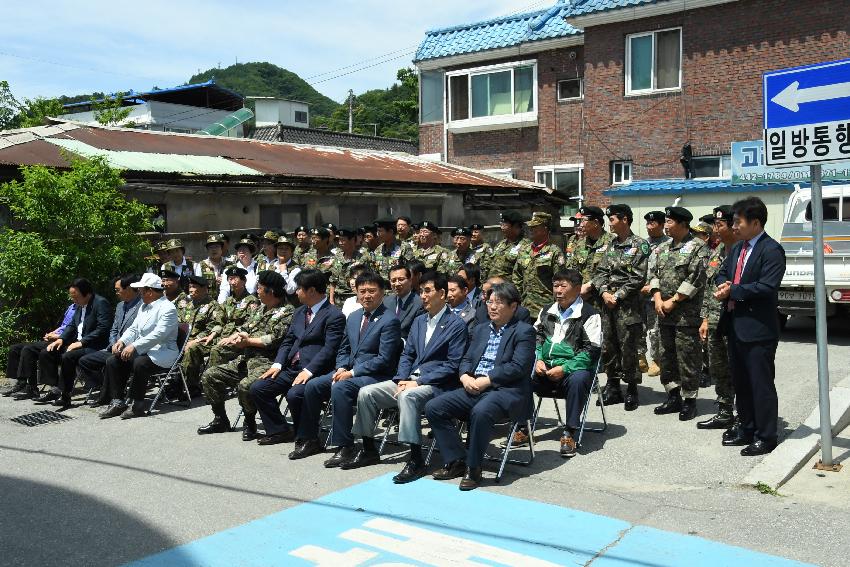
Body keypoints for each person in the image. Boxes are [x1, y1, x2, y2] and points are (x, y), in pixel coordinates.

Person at [343, 271, 469, 483]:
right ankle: (368, 448)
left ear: (442, 293)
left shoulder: (456, 324)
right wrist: (401, 378)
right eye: (421, 291)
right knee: (366, 393)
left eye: (427, 291)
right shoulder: (419, 321)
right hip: (409, 380)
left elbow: (452, 365)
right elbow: (407, 353)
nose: (423, 296)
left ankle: (416, 459)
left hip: (437, 384)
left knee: (408, 397)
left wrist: (418, 381)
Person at [425, 281, 535, 491]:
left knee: (481, 411)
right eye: (490, 302)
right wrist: (465, 376)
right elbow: (467, 358)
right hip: (474, 385)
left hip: (506, 390)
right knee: (434, 407)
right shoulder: (481, 328)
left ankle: (473, 467)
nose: (492, 307)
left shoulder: (524, 331)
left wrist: (488, 379)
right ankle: (457, 459)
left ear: (513, 307)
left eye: (499, 303)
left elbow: (517, 367)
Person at [293, 271, 401, 467]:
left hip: (375, 376)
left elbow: (384, 359)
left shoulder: (389, 320)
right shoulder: (353, 316)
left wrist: (352, 372)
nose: (367, 296)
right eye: (362, 291)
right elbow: (343, 348)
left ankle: (345, 446)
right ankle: (309, 439)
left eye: (372, 291)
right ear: (357, 294)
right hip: (348, 370)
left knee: (341, 388)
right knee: (314, 385)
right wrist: (341, 366)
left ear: (382, 293)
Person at [716, 196, 785, 456]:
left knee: (760, 385)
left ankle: (766, 436)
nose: (734, 227)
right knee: (741, 383)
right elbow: (723, 272)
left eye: (738, 222)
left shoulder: (771, 250)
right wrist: (724, 285)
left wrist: (734, 290)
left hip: (758, 330)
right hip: (735, 325)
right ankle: (746, 427)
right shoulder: (737, 248)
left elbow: (767, 287)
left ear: (755, 223)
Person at [249, 270, 345, 448]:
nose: (296, 292)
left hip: (315, 370)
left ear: (312, 291)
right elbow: (288, 340)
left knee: (295, 394)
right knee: (258, 388)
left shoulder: (334, 315)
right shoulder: (300, 312)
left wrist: (308, 371)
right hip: (292, 367)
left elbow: (330, 349)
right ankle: (279, 430)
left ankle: (308, 439)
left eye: (300, 288)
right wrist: (277, 364)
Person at [514, 269, 602, 457]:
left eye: (564, 286)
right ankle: (523, 427)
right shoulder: (547, 310)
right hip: (545, 368)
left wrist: (565, 368)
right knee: (519, 375)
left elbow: (592, 351)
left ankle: (569, 432)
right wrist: (537, 359)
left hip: (572, 369)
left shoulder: (589, 314)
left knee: (579, 379)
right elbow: (534, 337)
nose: (558, 291)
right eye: (555, 286)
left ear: (577, 289)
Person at [197, 270, 294, 436]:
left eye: (260, 288)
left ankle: (250, 421)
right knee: (210, 375)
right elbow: (246, 327)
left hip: (268, 362)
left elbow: (275, 338)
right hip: (246, 358)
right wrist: (237, 335)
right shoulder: (260, 309)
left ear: (270, 292)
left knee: (245, 386)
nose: (257, 290)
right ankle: (220, 420)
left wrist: (248, 341)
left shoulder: (288, 311)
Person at [649, 206, 710, 421]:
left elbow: (696, 278)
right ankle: (673, 396)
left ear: (683, 224)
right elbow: (653, 274)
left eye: (670, 222)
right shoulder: (662, 249)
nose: (666, 225)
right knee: (666, 356)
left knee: (687, 357)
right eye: (665, 221)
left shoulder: (698, 247)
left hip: (686, 315)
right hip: (664, 313)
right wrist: (657, 298)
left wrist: (673, 301)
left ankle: (689, 401)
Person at [99, 273, 179, 420]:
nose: (139, 293)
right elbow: (134, 329)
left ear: (150, 291)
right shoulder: (144, 306)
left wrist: (134, 346)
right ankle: (118, 401)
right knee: (113, 360)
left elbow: (159, 335)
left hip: (163, 352)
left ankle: (137, 404)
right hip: (144, 349)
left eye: (141, 290)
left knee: (140, 363)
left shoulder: (168, 308)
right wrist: (122, 341)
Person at [592, 204, 649, 410]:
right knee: (608, 345)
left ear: (625, 219)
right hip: (607, 305)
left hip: (628, 307)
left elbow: (637, 278)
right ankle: (613, 386)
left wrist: (616, 296)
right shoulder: (611, 245)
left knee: (629, 347)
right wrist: (605, 293)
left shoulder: (640, 245)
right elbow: (599, 273)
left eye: (613, 219)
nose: (610, 224)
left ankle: (632, 388)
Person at [32, 278, 113, 408]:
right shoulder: (80, 306)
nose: (73, 300)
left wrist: (81, 342)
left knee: (68, 357)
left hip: (94, 345)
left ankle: (65, 395)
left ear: (87, 294)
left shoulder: (100, 303)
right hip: (77, 344)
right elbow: (71, 326)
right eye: (72, 297)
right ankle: (55, 388)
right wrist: (61, 339)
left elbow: (103, 328)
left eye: (76, 297)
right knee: (48, 352)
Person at [697, 205, 739, 430]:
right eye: (714, 224)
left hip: (736, 320)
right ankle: (724, 411)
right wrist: (704, 319)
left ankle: (743, 413)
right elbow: (707, 289)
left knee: (739, 368)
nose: (715, 228)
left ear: (733, 225)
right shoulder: (716, 252)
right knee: (718, 367)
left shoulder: (743, 251)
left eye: (719, 224)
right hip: (714, 320)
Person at [80, 275, 142, 407]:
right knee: (84, 361)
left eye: (118, 289)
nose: (116, 293)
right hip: (114, 347)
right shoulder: (120, 306)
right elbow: (113, 329)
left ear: (129, 289)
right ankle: (107, 388)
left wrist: (123, 345)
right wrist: (114, 343)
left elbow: (139, 332)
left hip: (130, 349)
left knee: (111, 362)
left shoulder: (142, 306)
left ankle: (107, 396)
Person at [3, 302, 76, 400]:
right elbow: (64, 325)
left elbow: (76, 331)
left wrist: (57, 336)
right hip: (56, 337)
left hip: (65, 341)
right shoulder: (71, 307)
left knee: (28, 349)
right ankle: (27, 386)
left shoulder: (83, 310)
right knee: (15, 349)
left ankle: (31, 387)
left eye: (75, 294)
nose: (72, 297)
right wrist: (53, 333)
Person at [513, 211, 566, 321]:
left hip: (545, 308)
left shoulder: (554, 252)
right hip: (524, 307)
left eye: (535, 227)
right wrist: (518, 298)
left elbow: (560, 281)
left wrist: (557, 306)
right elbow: (517, 275)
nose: (531, 230)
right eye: (530, 227)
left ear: (545, 228)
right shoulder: (524, 250)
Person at [175, 275, 224, 395]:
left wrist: (195, 340)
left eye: (194, 287)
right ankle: (174, 383)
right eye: (190, 286)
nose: (190, 290)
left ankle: (190, 385)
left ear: (204, 289)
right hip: (183, 338)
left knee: (191, 349)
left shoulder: (213, 306)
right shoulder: (186, 304)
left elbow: (214, 326)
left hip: (204, 341)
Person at [641, 211, 671, 377]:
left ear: (661, 225)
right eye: (647, 224)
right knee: (640, 327)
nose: (649, 227)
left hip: (655, 294)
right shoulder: (642, 243)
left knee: (654, 330)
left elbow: (665, 270)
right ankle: (641, 357)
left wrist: (652, 286)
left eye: (652, 224)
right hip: (639, 293)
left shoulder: (668, 243)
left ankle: (656, 360)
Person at [329, 228, 372, 308]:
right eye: (339, 240)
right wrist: (331, 299)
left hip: (355, 298)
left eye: (343, 240)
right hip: (338, 299)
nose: (340, 243)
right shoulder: (337, 257)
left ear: (352, 240)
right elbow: (333, 280)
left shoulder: (363, 258)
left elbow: (368, 280)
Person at [383, 264, 424, 342]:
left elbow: (418, 334)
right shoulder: (386, 301)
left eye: (401, 279)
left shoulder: (420, 303)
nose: (397, 284)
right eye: (393, 280)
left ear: (410, 280)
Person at [487, 211, 530, 282]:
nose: (501, 227)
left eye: (505, 224)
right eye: (501, 223)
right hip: (493, 287)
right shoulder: (501, 244)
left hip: (508, 290)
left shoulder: (526, 246)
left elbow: (524, 274)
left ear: (515, 226)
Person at [194, 233, 232, 299]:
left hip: (228, 302)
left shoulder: (230, 265)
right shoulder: (201, 265)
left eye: (217, 246)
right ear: (207, 250)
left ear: (221, 249)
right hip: (208, 304)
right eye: (211, 247)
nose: (214, 250)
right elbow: (198, 286)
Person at [271, 235, 301, 306]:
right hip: (271, 305)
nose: (283, 251)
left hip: (287, 307)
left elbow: (290, 290)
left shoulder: (296, 269)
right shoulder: (272, 265)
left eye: (286, 249)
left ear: (291, 252)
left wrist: (283, 271)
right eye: (280, 248)